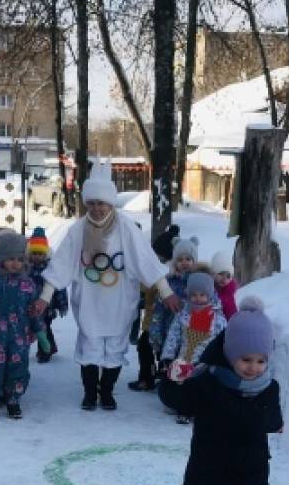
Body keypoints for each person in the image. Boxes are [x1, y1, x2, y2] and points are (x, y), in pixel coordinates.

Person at [33, 162, 183, 411]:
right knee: (90, 347)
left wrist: (166, 292)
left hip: (119, 301)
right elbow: (61, 264)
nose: (97, 208)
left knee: (114, 348)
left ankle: (107, 392)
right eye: (91, 203)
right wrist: (45, 297)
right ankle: (90, 393)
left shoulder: (126, 228)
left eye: (101, 203)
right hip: (90, 301)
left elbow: (145, 260)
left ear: (111, 203)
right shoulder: (78, 230)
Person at [175, 296, 282, 485]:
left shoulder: (268, 388)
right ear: (230, 353)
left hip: (251, 471)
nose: (253, 368)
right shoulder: (208, 382)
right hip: (213, 467)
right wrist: (177, 382)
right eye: (246, 359)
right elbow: (182, 403)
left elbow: (273, 420)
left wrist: (269, 418)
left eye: (260, 361)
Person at [0, 230, 51, 420]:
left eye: (20, 259)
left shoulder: (27, 283)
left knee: (18, 368)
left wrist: (40, 332)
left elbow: (33, 310)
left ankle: (13, 399)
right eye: (11, 258)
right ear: (2, 257)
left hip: (19, 337)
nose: (16, 263)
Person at [158, 271, 227, 424]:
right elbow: (173, 337)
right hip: (183, 360)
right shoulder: (183, 315)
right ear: (188, 295)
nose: (198, 298)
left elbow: (222, 342)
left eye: (202, 295)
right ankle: (176, 404)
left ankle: (190, 410)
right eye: (194, 295)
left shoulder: (218, 319)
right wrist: (168, 357)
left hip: (204, 363)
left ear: (209, 295)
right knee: (176, 383)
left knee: (197, 385)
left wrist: (218, 362)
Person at [130, 224, 181, 391]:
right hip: (152, 321)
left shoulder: (167, 274)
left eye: (159, 257)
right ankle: (150, 377)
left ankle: (157, 378)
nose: (156, 259)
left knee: (156, 350)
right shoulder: (159, 271)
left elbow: (147, 287)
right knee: (147, 347)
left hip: (164, 323)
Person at [148, 237, 198, 365]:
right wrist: (156, 332)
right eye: (180, 260)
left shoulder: (199, 282)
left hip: (192, 337)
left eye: (188, 259)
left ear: (194, 261)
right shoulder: (168, 283)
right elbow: (158, 310)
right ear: (174, 262)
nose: (184, 262)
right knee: (169, 366)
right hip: (169, 335)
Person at [27, 226, 67, 363]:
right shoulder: (27, 266)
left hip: (48, 305)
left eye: (40, 254)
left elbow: (57, 286)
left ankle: (44, 352)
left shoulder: (50, 267)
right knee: (42, 327)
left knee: (43, 326)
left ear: (45, 254)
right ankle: (51, 347)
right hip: (33, 303)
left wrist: (60, 303)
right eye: (34, 253)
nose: (37, 257)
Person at [211, 248, 238, 320]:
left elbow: (232, 315)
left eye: (228, 276)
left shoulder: (229, 294)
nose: (224, 278)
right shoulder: (208, 289)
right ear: (213, 274)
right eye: (221, 274)